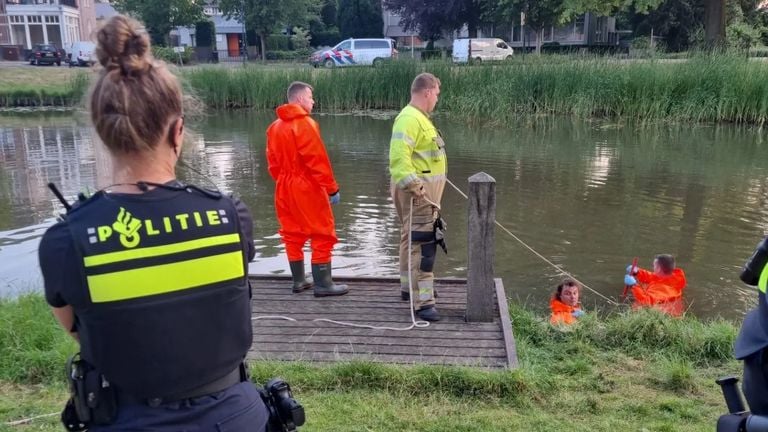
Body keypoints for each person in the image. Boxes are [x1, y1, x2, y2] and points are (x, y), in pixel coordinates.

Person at [37, 15, 269, 431]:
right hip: (236, 417)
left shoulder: (66, 240)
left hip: (128, 418)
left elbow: (78, 329)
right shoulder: (229, 214)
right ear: (178, 131)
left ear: (103, 133)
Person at [266, 81, 348, 297]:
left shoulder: (274, 127)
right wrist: (331, 188)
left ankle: (299, 281)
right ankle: (323, 284)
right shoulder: (305, 124)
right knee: (322, 231)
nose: (313, 101)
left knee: (292, 232)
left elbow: (272, 163)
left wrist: (284, 180)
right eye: (311, 97)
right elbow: (317, 160)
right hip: (306, 185)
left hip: (283, 185)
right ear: (301, 99)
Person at [389, 73, 447, 322]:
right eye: (436, 93)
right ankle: (423, 303)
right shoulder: (409, 119)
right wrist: (415, 186)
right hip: (419, 197)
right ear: (427, 91)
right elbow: (398, 159)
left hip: (422, 196)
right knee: (423, 246)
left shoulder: (418, 119)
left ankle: (408, 288)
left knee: (409, 238)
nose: (437, 98)